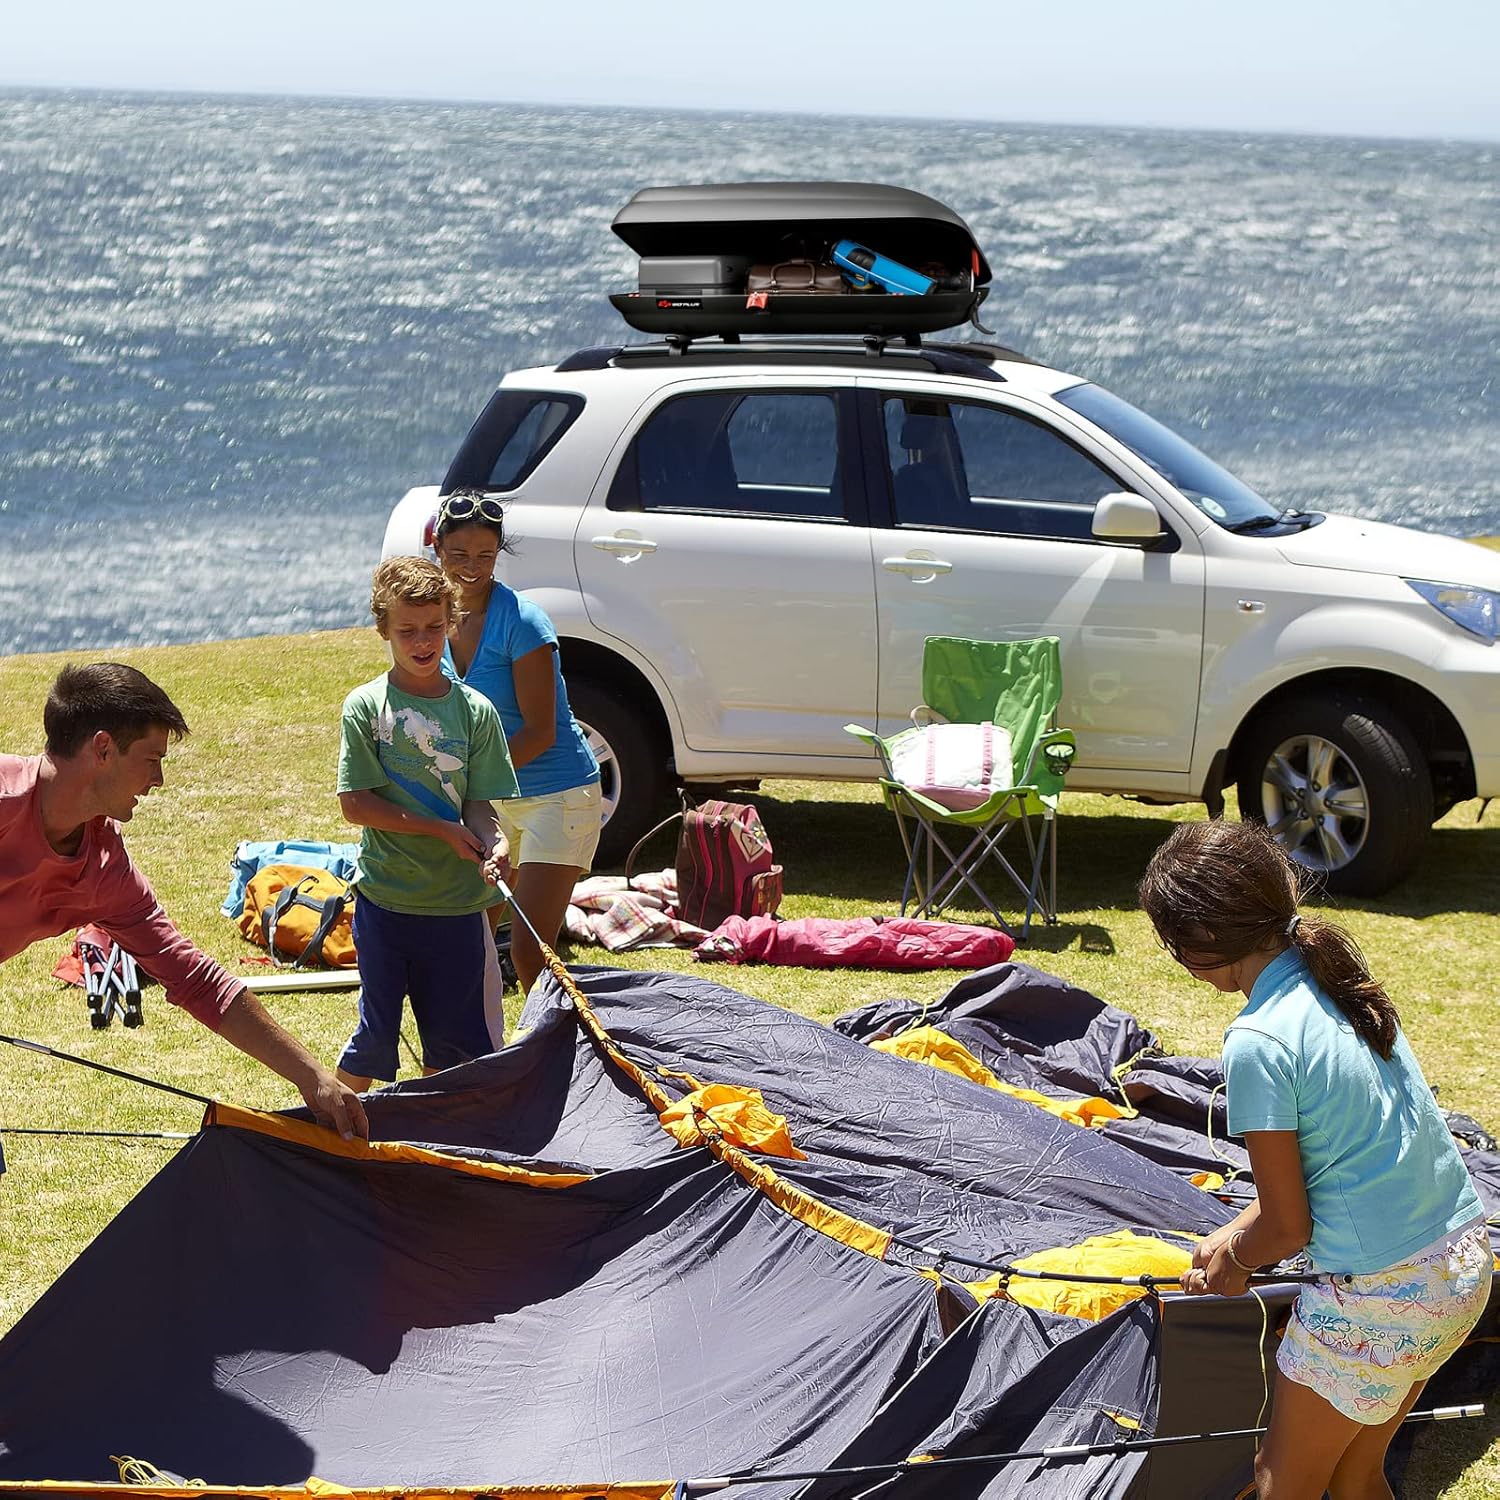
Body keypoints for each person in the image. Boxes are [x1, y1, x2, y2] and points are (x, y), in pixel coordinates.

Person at [1139, 820, 1489, 1500]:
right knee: (1356, 1476)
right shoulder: (1336, 980)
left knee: (1280, 1484)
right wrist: (1234, 1231)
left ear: (1200, 941)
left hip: (1383, 1296)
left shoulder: (1258, 1040)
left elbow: (1288, 1229)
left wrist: (1236, 1263)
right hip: (1457, 1267)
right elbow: (1340, 1163)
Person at [0, 663, 368, 1141]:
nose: (158, 779)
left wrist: (313, 1076)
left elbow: (197, 980)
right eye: (152, 758)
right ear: (103, 749)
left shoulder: (105, 867)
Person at [334, 554, 518, 1091]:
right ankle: (331, 1129)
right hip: (385, 901)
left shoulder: (476, 711)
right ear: (383, 629)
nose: (422, 642)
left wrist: (496, 841)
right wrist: (439, 829)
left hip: (457, 909)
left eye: (434, 628)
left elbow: (478, 805)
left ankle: (434, 1134)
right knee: (373, 1043)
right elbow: (356, 804)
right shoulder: (366, 706)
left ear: (451, 622)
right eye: (407, 630)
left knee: (455, 1050)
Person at [432, 489, 602, 998]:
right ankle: (479, 1043)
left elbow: (541, 732)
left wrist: (470, 784)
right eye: (459, 554)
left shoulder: (524, 622)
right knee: (472, 943)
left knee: (530, 953)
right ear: (436, 548)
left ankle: (559, 1045)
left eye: (485, 555)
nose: (472, 568)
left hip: (559, 797)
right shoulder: (433, 623)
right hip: (495, 802)